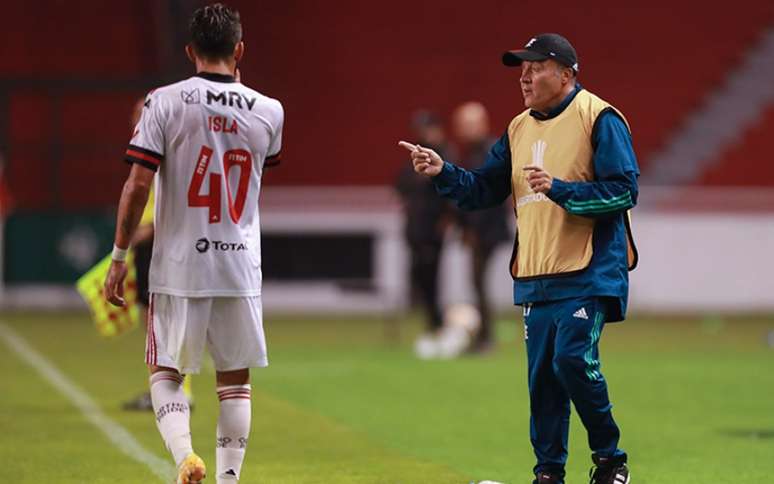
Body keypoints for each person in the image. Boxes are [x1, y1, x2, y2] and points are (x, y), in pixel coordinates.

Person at [399, 33, 638, 484]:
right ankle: (548, 473)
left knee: (571, 361)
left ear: (567, 73)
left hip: (588, 269)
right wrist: (443, 172)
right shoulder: (517, 128)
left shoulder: (599, 117)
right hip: (535, 273)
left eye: (536, 65)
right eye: (521, 67)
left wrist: (561, 189)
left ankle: (610, 460)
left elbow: (624, 190)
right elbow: (484, 190)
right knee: (542, 381)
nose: (524, 75)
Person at [104, 4, 284, 484]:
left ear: (190, 51)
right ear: (239, 49)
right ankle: (228, 479)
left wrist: (120, 255)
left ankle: (186, 456)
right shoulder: (270, 110)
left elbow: (138, 184)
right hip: (240, 264)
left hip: (181, 262)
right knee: (236, 382)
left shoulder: (162, 101)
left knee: (164, 369)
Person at [122, 97, 196, 412]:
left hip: (163, 243)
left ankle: (180, 392)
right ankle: (163, 389)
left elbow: (180, 200)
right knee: (154, 322)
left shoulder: (170, 151)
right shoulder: (150, 149)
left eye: (141, 112)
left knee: (169, 321)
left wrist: (149, 228)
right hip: (148, 243)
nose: (135, 118)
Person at [451, 102, 511, 354]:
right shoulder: (475, 152)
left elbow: (489, 197)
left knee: (478, 282)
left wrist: (474, 229)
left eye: (468, 123)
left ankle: (486, 338)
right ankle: (484, 336)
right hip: (481, 231)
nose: (463, 128)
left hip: (487, 232)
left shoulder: (488, 152)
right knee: (477, 283)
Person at [395, 111, 455, 344]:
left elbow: (449, 193)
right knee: (421, 276)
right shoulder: (416, 157)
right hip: (415, 227)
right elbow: (401, 184)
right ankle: (433, 321)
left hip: (432, 228)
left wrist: (447, 219)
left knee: (431, 276)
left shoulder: (445, 155)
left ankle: (436, 322)